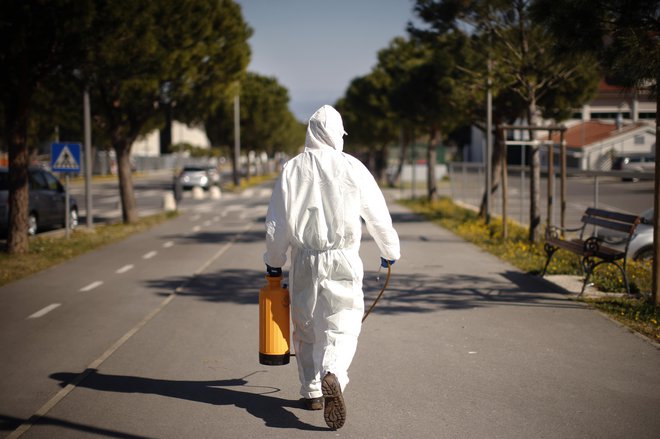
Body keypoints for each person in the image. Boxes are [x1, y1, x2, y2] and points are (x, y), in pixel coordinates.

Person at [263, 105, 401, 430]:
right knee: (343, 322)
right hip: (342, 257)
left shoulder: (292, 169)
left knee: (306, 325)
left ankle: (311, 390)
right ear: (338, 134)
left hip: (304, 259)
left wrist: (273, 263)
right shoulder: (353, 167)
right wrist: (389, 251)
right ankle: (333, 374)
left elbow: (276, 224)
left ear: (310, 132)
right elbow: (377, 214)